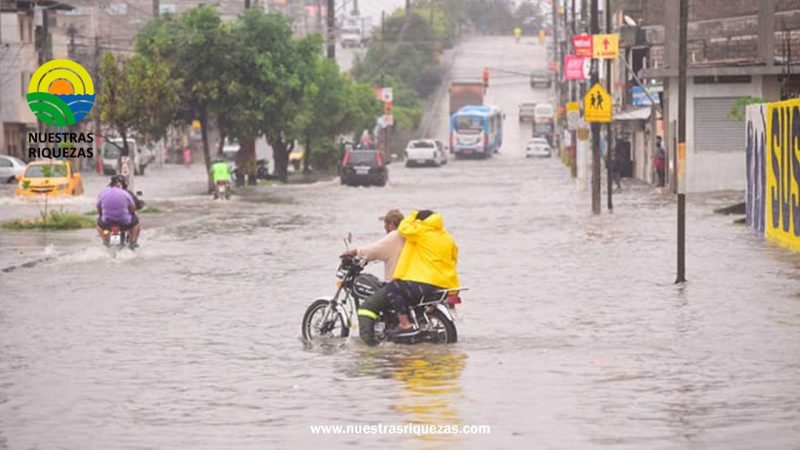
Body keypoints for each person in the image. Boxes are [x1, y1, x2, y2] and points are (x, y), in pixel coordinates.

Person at [385, 210, 459, 338]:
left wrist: (413, 214)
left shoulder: (421, 232)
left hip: (427, 282)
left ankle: (404, 325)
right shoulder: (446, 236)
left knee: (393, 288)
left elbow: (403, 228)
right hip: (445, 283)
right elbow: (454, 258)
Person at [344, 209, 405, 346]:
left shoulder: (395, 235)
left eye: (385, 224)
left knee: (366, 308)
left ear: (390, 225)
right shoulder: (408, 236)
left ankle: (369, 346)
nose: (384, 228)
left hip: (396, 284)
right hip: (410, 283)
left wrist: (354, 252)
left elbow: (374, 250)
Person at [97, 175, 141, 249]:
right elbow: (133, 208)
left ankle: (105, 241)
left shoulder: (103, 194)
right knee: (136, 223)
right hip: (124, 222)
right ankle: (133, 242)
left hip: (107, 222)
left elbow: (99, 208)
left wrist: (102, 215)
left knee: (99, 225)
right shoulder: (126, 193)